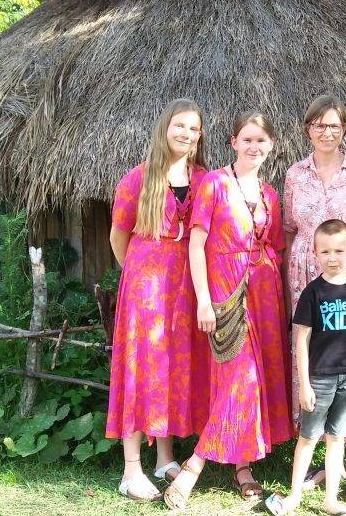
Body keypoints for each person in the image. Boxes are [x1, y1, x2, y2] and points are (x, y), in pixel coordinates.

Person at [163, 111, 294, 510]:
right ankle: (195, 465)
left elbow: (276, 248)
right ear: (233, 141)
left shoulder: (271, 195)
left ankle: (243, 467)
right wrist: (203, 299)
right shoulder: (215, 184)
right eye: (247, 140)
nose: (254, 147)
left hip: (264, 296)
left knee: (253, 381)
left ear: (271, 146)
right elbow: (195, 244)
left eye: (262, 142)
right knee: (236, 378)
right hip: (224, 294)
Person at [282, 94, 346, 509]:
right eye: (318, 125)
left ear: (344, 128)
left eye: (334, 125)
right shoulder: (295, 175)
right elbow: (291, 232)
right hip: (307, 283)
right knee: (316, 368)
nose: (327, 132)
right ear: (308, 129)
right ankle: (324, 460)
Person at [105, 98, 211, 502]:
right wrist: (140, 271)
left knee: (171, 364)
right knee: (140, 366)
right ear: (165, 128)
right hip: (146, 288)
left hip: (185, 286)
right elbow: (118, 237)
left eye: (194, 128)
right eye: (179, 126)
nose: (186, 134)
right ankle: (131, 469)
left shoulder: (204, 180)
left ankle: (164, 456)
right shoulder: (138, 179)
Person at [265, 219, 346, 516]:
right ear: (315, 253)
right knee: (308, 438)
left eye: (338, 251)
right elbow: (301, 338)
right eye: (325, 252)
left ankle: (331, 500)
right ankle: (294, 496)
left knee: (337, 438)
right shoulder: (312, 292)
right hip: (319, 379)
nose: (332, 258)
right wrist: (304, 383)